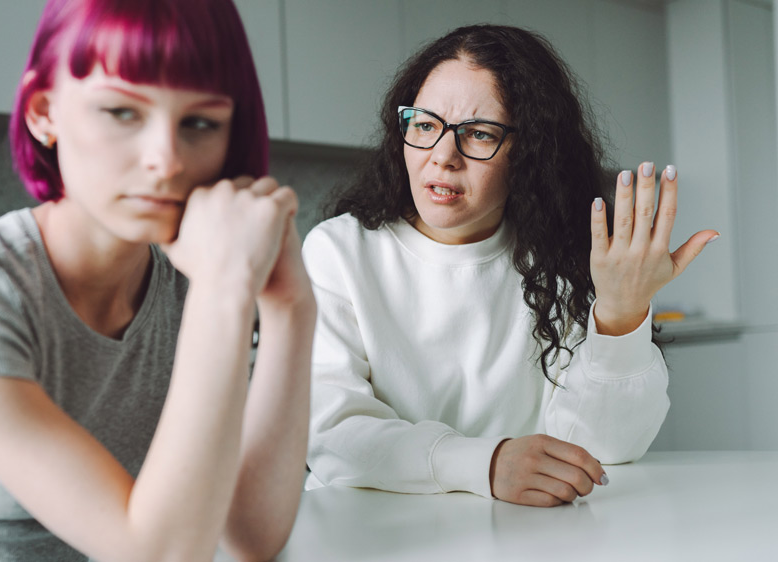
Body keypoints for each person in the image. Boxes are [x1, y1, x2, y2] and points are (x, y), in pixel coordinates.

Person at [0, 1, 316, 560]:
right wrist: (225, 293)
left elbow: (249, 538)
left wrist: (290, 307)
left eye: (200, 123)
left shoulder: (193, 288)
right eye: (121, 112)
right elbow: (159, 554)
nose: (166, 160)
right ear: (44, 111)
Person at [302, 24, 717, 508]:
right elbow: (331, 431)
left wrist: (622, 315)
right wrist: (487, 464)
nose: (442, 156)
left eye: (479, 134)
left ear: (530, 154)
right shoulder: (338, 251)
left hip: (526, 535)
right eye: (424, 124)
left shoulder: (563, 257)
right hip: (367, 535)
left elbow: (603, 451)